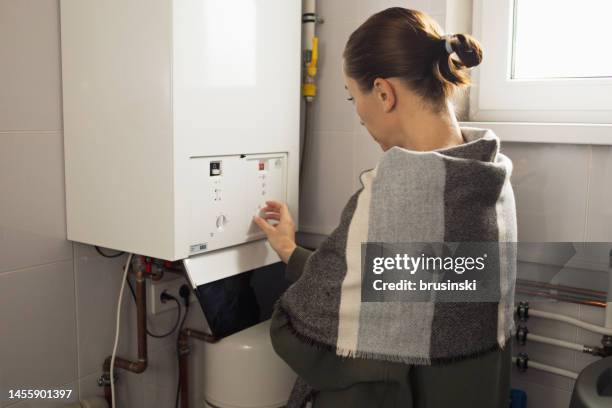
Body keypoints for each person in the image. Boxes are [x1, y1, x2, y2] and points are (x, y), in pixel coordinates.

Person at [253, 7, 517, 408]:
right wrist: (289, 249)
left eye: (352, 96)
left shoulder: (396, 195)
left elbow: (303, 321)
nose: (357, 113)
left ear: (382, 92)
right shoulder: (491, 179)